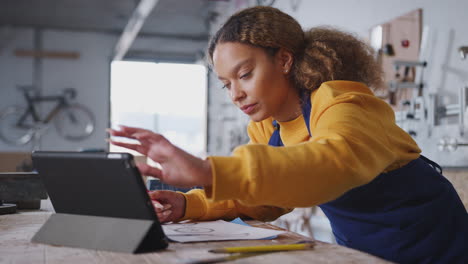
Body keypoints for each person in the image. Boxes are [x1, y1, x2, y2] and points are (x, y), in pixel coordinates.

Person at [108, 6, 468, 264]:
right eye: (226, 84)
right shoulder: (268, 126)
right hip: (364, 250)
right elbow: (265, 197)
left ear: (283, 60)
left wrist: (208, 171)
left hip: (435, 243)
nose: (236, 94)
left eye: (245, 74)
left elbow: (330, 166)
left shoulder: (343, 102)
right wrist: (190, 204)